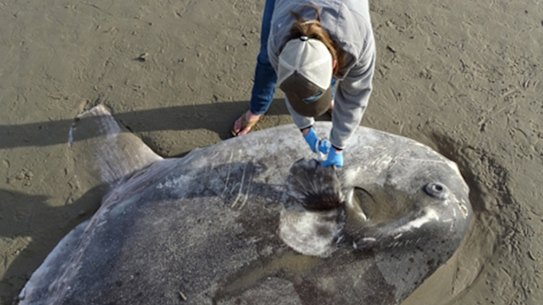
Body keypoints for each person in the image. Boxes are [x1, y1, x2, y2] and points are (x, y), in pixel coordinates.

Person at [231, 0, 376, 168]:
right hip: (288, 6)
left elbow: (355, 98)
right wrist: (306, 129)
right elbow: (293, 85)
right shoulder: (278, 36)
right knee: (266, 60)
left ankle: (323, 95)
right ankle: (258, 108)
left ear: (334, 64)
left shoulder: (358, 42)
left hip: (347, 13)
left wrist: (338, 146)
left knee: (318, 72)